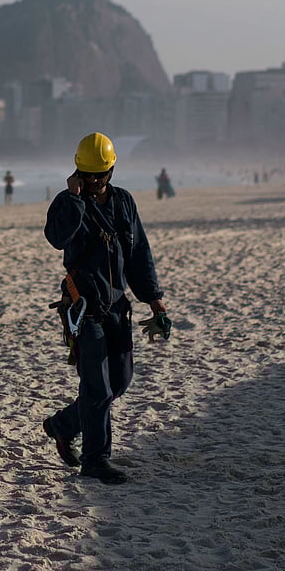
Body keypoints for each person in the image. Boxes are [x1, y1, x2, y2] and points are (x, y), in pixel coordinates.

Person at [42, 132, 172, 485]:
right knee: (97, 387)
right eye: (88, 175)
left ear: (111, 171)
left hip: (118, 308)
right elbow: (57, 238)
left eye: (100, 175)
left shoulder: (124, 203)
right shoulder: (67, 203)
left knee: (120, 381)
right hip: (83, 309)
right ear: (77, 172)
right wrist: (74, 199)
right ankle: (96, 460)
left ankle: (63, 425)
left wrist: (156, 303)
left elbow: (139, 255)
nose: (95, 182)